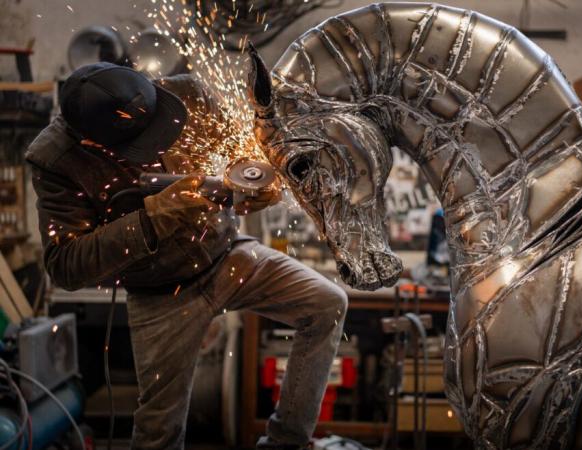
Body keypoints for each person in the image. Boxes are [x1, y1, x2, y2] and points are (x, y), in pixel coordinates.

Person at [25, 62, 347, 450]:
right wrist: (151, 221)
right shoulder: (55, 160)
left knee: (327, 304)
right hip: (160, 294)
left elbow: (242, 158)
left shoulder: (186, 95)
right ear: (95, 143)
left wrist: (257, 187)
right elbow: (64, 266)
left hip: (227, 256)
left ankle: (286, 442)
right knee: (158, 434)